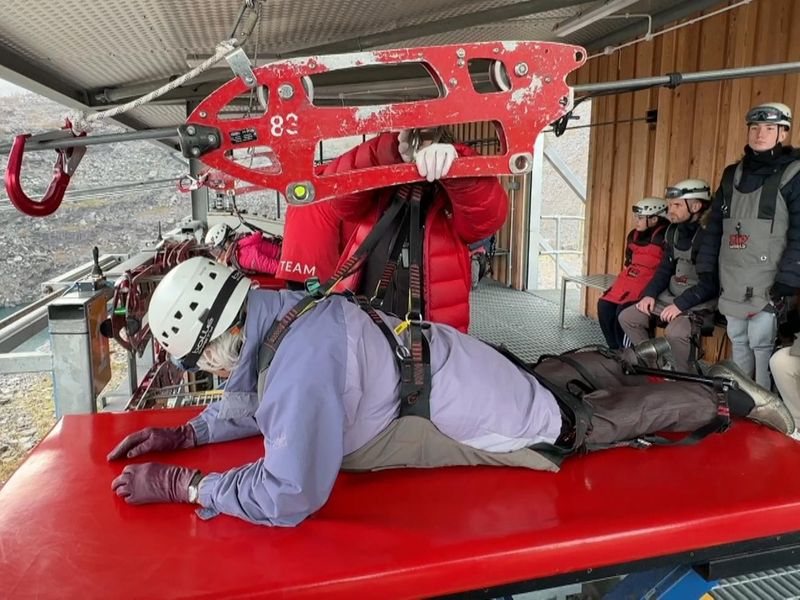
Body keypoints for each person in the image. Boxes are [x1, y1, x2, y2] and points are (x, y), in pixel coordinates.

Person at [108, 258, 794, 527]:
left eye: (207, 360)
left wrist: (189, 487)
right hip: (451, 363)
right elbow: (250, 387)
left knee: (573, 429)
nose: (216, 372)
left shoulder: (300, 368)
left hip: (478, 409)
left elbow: (290, 493)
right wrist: (191, 433)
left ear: (220, 335)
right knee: (550, 380)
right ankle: (634, 355)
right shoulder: (279, 310)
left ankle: (719, 396)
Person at [276, 128, 508, 332]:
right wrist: (388, 151)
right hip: (367, 316)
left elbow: (486, 219)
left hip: (435, 330)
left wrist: (457, 167)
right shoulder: (378, 179)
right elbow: (339, 197)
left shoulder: (454, 189)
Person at [696, 102, 800, 388]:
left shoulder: (794, 173)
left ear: (783, 134)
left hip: (768, 281)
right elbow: (715, 224)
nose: (759, 134)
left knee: (762, 343)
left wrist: (789, 279)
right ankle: (742, 399)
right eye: (754, 128)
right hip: (732, 277)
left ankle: (765, 405)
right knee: (738, 339)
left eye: (769, 128)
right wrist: (706, 268)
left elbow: (799, 232)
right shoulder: (732, 174)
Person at [618, 180, 718, 372]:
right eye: (670, 204)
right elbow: (664, 269)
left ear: (696, 206)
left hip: (697, 303)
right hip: (672, 296)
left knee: (675, 332)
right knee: (628, 316)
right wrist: (649, 294)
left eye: (677, 205)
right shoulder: (673, 232)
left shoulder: (708, 236)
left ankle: (685, 376)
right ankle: (657, 366)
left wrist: (680, 304)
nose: (670, 210)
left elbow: (710, 284)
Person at [597, 197, 669, 349]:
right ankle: (615, 350)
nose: (636, 221)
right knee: (604, 305)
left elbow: (667, 269)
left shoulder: (666, 237)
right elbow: (629, 262)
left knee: (622, 312)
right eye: (636, 217)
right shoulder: (634, 235)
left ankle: (628, 353)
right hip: (631, 280)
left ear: (655, 218)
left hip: (651, 286)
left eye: (641, 217)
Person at [205, 222, 282, 276]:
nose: (217, 257)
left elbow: (273, 266)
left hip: (283, 256)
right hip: (283, 255)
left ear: (224, 244)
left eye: (217, 251)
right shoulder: (242, 250)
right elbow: (272, 266)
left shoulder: (242, 251)